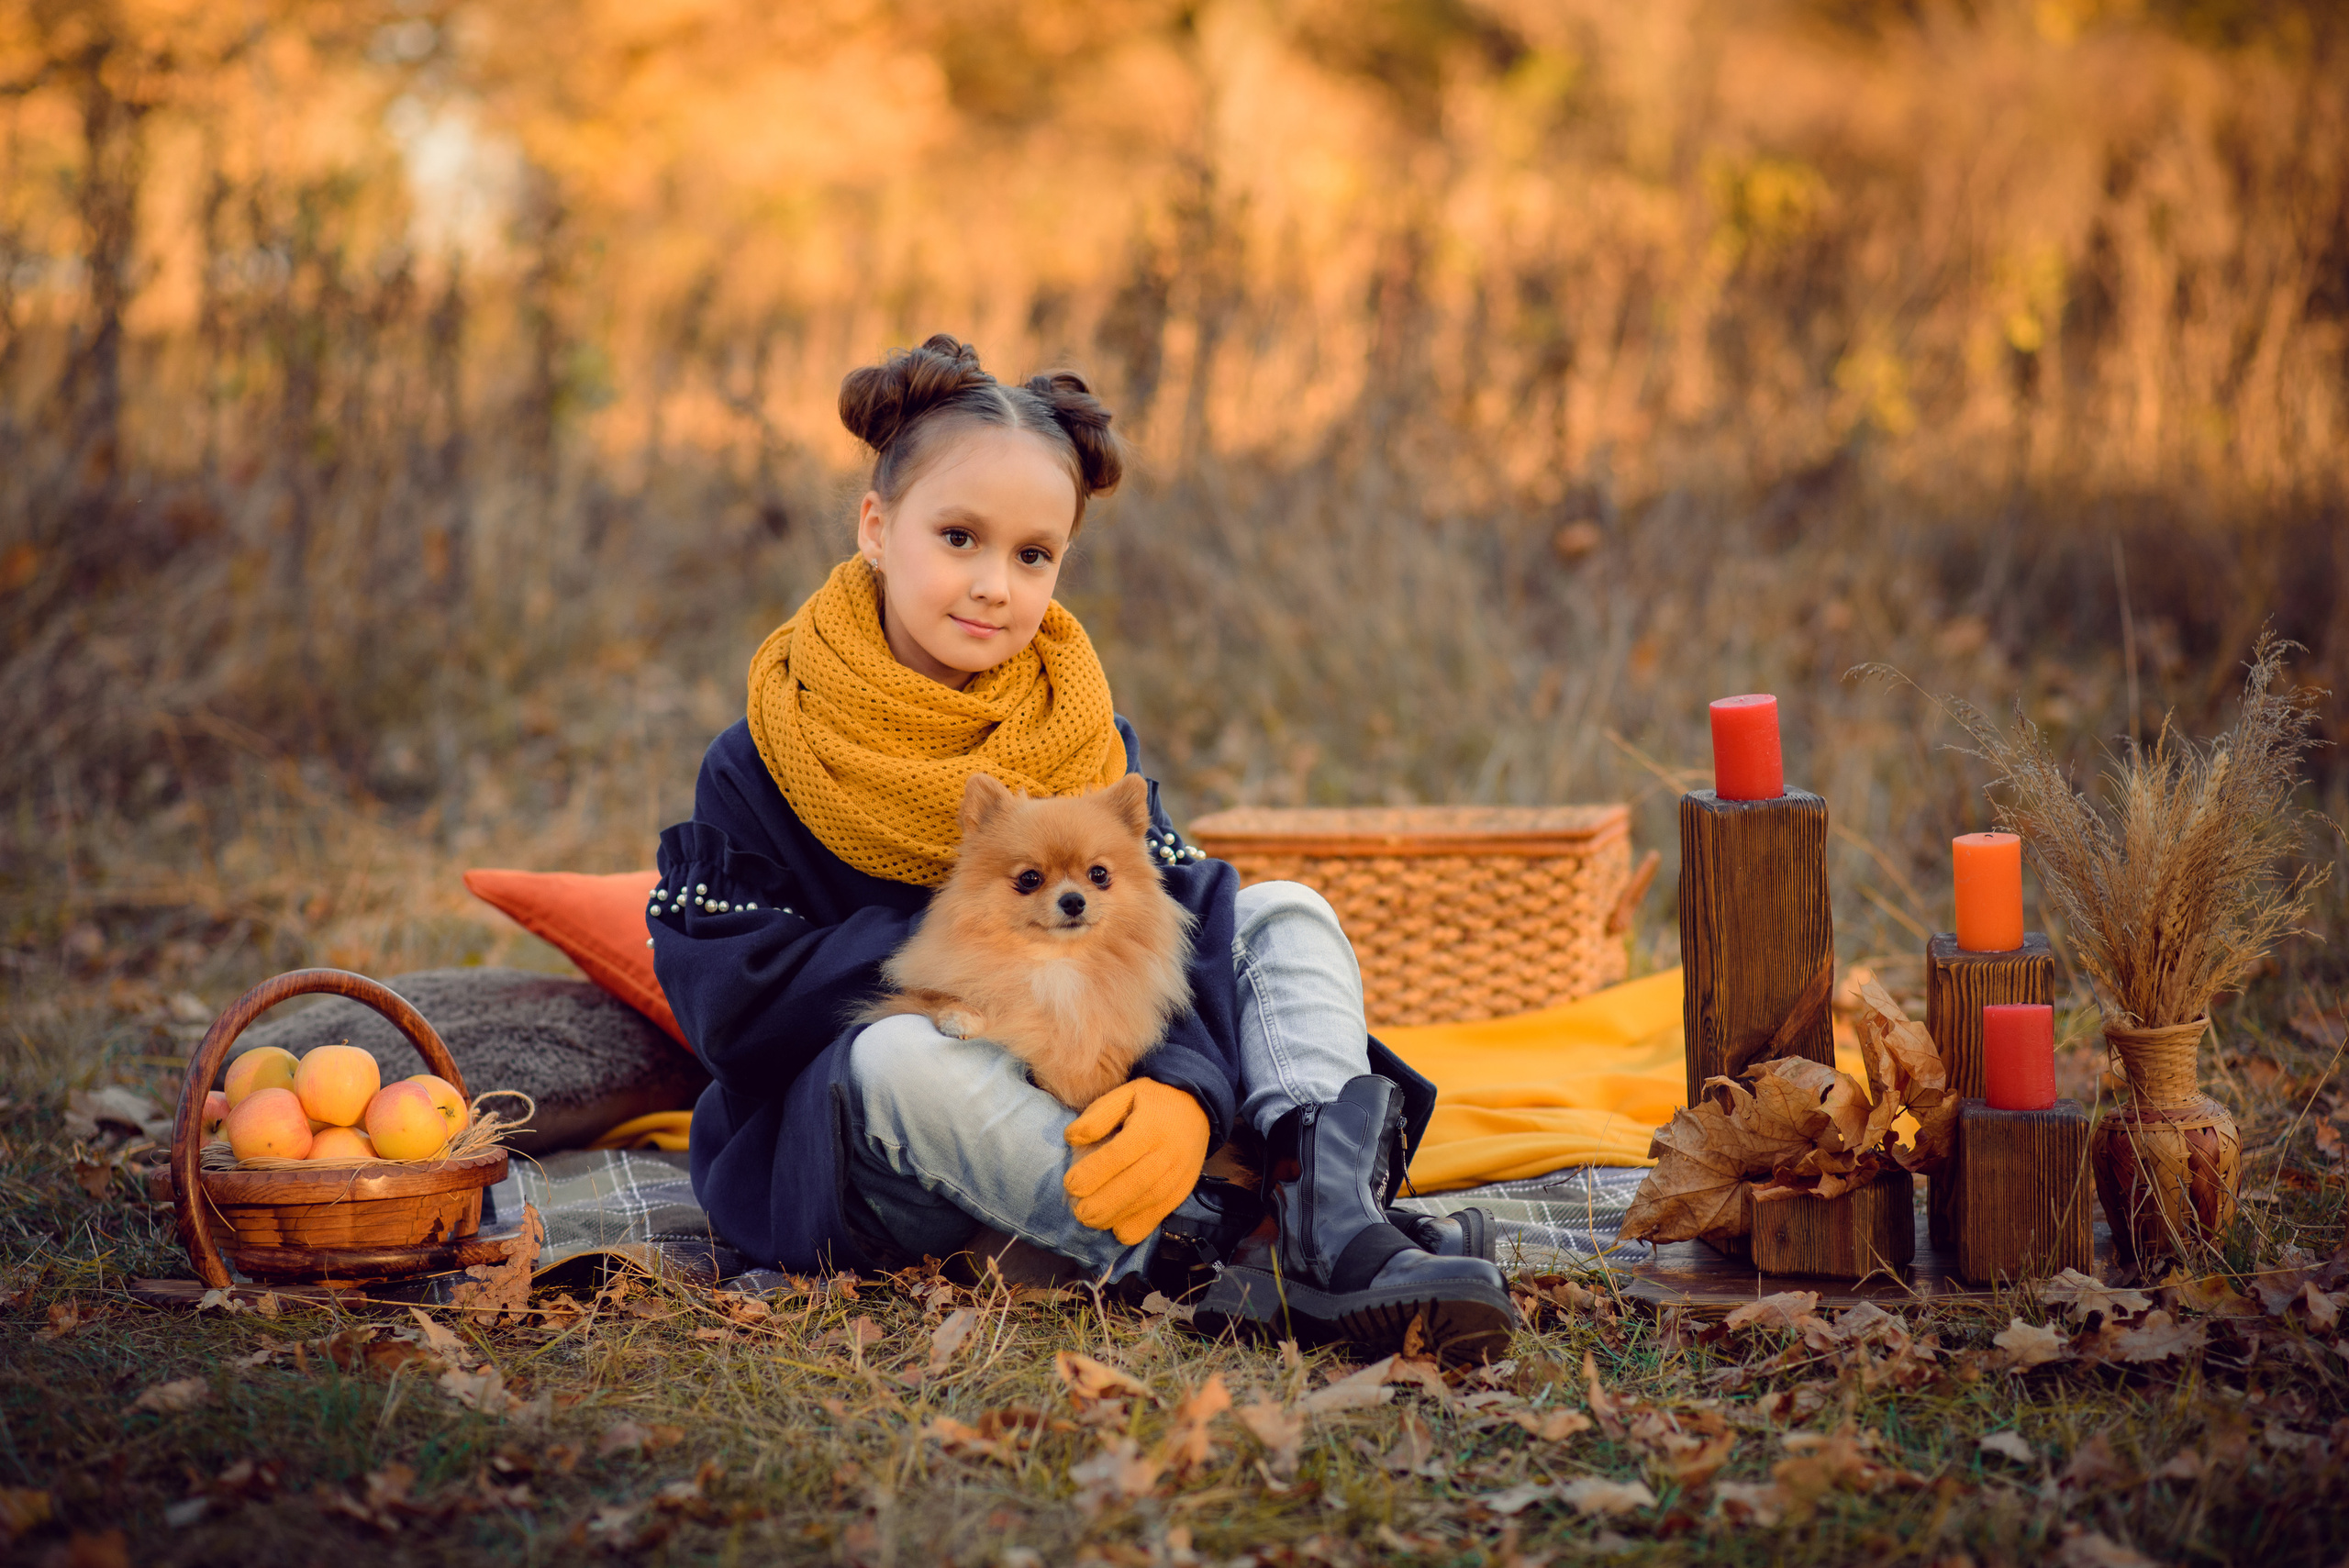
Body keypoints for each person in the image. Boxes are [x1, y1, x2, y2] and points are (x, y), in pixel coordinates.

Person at [653, 334, 1513, 1358]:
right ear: (878, 527)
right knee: (896, 1054)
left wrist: (1188, 1093)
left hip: (1092, 1091)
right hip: (894, 1152)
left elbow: (1167, 931)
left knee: (1284, 910)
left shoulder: (1075, 731)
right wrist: (970, 944)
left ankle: (1326, 1210)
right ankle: (1219, 1253)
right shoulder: (766, 749)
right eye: (959, 536)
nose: (992, 585)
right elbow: (730, 1008)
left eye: (1032, 555)